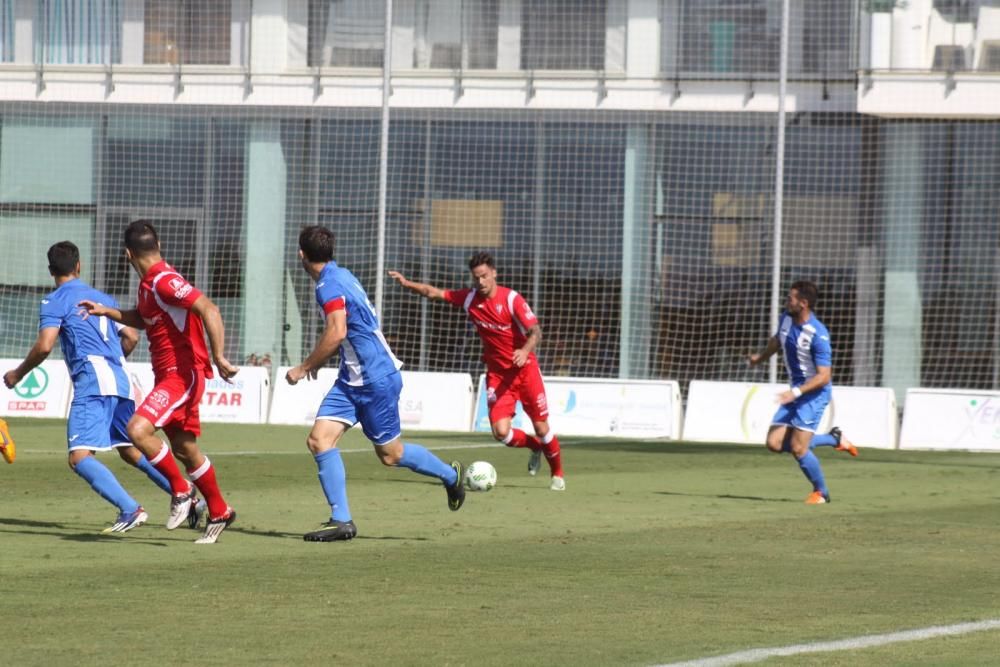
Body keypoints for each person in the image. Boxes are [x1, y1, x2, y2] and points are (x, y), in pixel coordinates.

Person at [3, 241, 199, 533]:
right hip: (120, 380)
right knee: (130, 450)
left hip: (93, 382)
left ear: (50, 270)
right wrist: (113, 360)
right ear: (78, 266)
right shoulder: (101, 297)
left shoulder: (54, 300)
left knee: (79, 457)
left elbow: (45, 346)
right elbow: (131, 337)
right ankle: (187, 494)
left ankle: (130, 509)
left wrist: (18, 373)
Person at [287, 226, 467, 542]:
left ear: (302, 254)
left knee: (390, 455)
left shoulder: (329, 285)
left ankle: (451, 476)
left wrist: (305, 366)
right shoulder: (340, 274)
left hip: (375, 379)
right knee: (319, 440)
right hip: (352, 379)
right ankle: (341, 521)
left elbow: (337, 331)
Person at [78, 221, 238, 543]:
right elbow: (144, 318)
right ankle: (219, 510)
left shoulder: (165, 281)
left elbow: (209, 308)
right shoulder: (148, 285)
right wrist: (105, 311)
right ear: (158, 244)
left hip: (182, 375)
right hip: (167, 376)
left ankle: (180, 491)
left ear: (127, 254)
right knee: (184, 448)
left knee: (138, 430)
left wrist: (219, 356)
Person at [389, 251, 565, 491]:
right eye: (476, 278)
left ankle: (557, 475)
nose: (480, 282)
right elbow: (435, 293)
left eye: (484, 276)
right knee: (501, 432)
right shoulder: (470, 299)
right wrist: (408, 283)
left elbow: (536, 331)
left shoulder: (512, 299)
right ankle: (535, 447)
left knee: (542, 426)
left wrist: (524, 351)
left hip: (525, 371)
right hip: (498, 374)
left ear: (493, 273)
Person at [748, 280, 857, 504]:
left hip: (814, 394)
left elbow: (824, 376)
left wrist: (795, 393)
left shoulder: (818, 334)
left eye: (791, 298)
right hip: (796, 392)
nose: (787, 301)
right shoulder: (786, 319)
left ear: (803, 303)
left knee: (798, 448)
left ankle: (822, 492)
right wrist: (760, 358)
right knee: (774, 443)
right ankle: (833, 438)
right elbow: (777, 340)